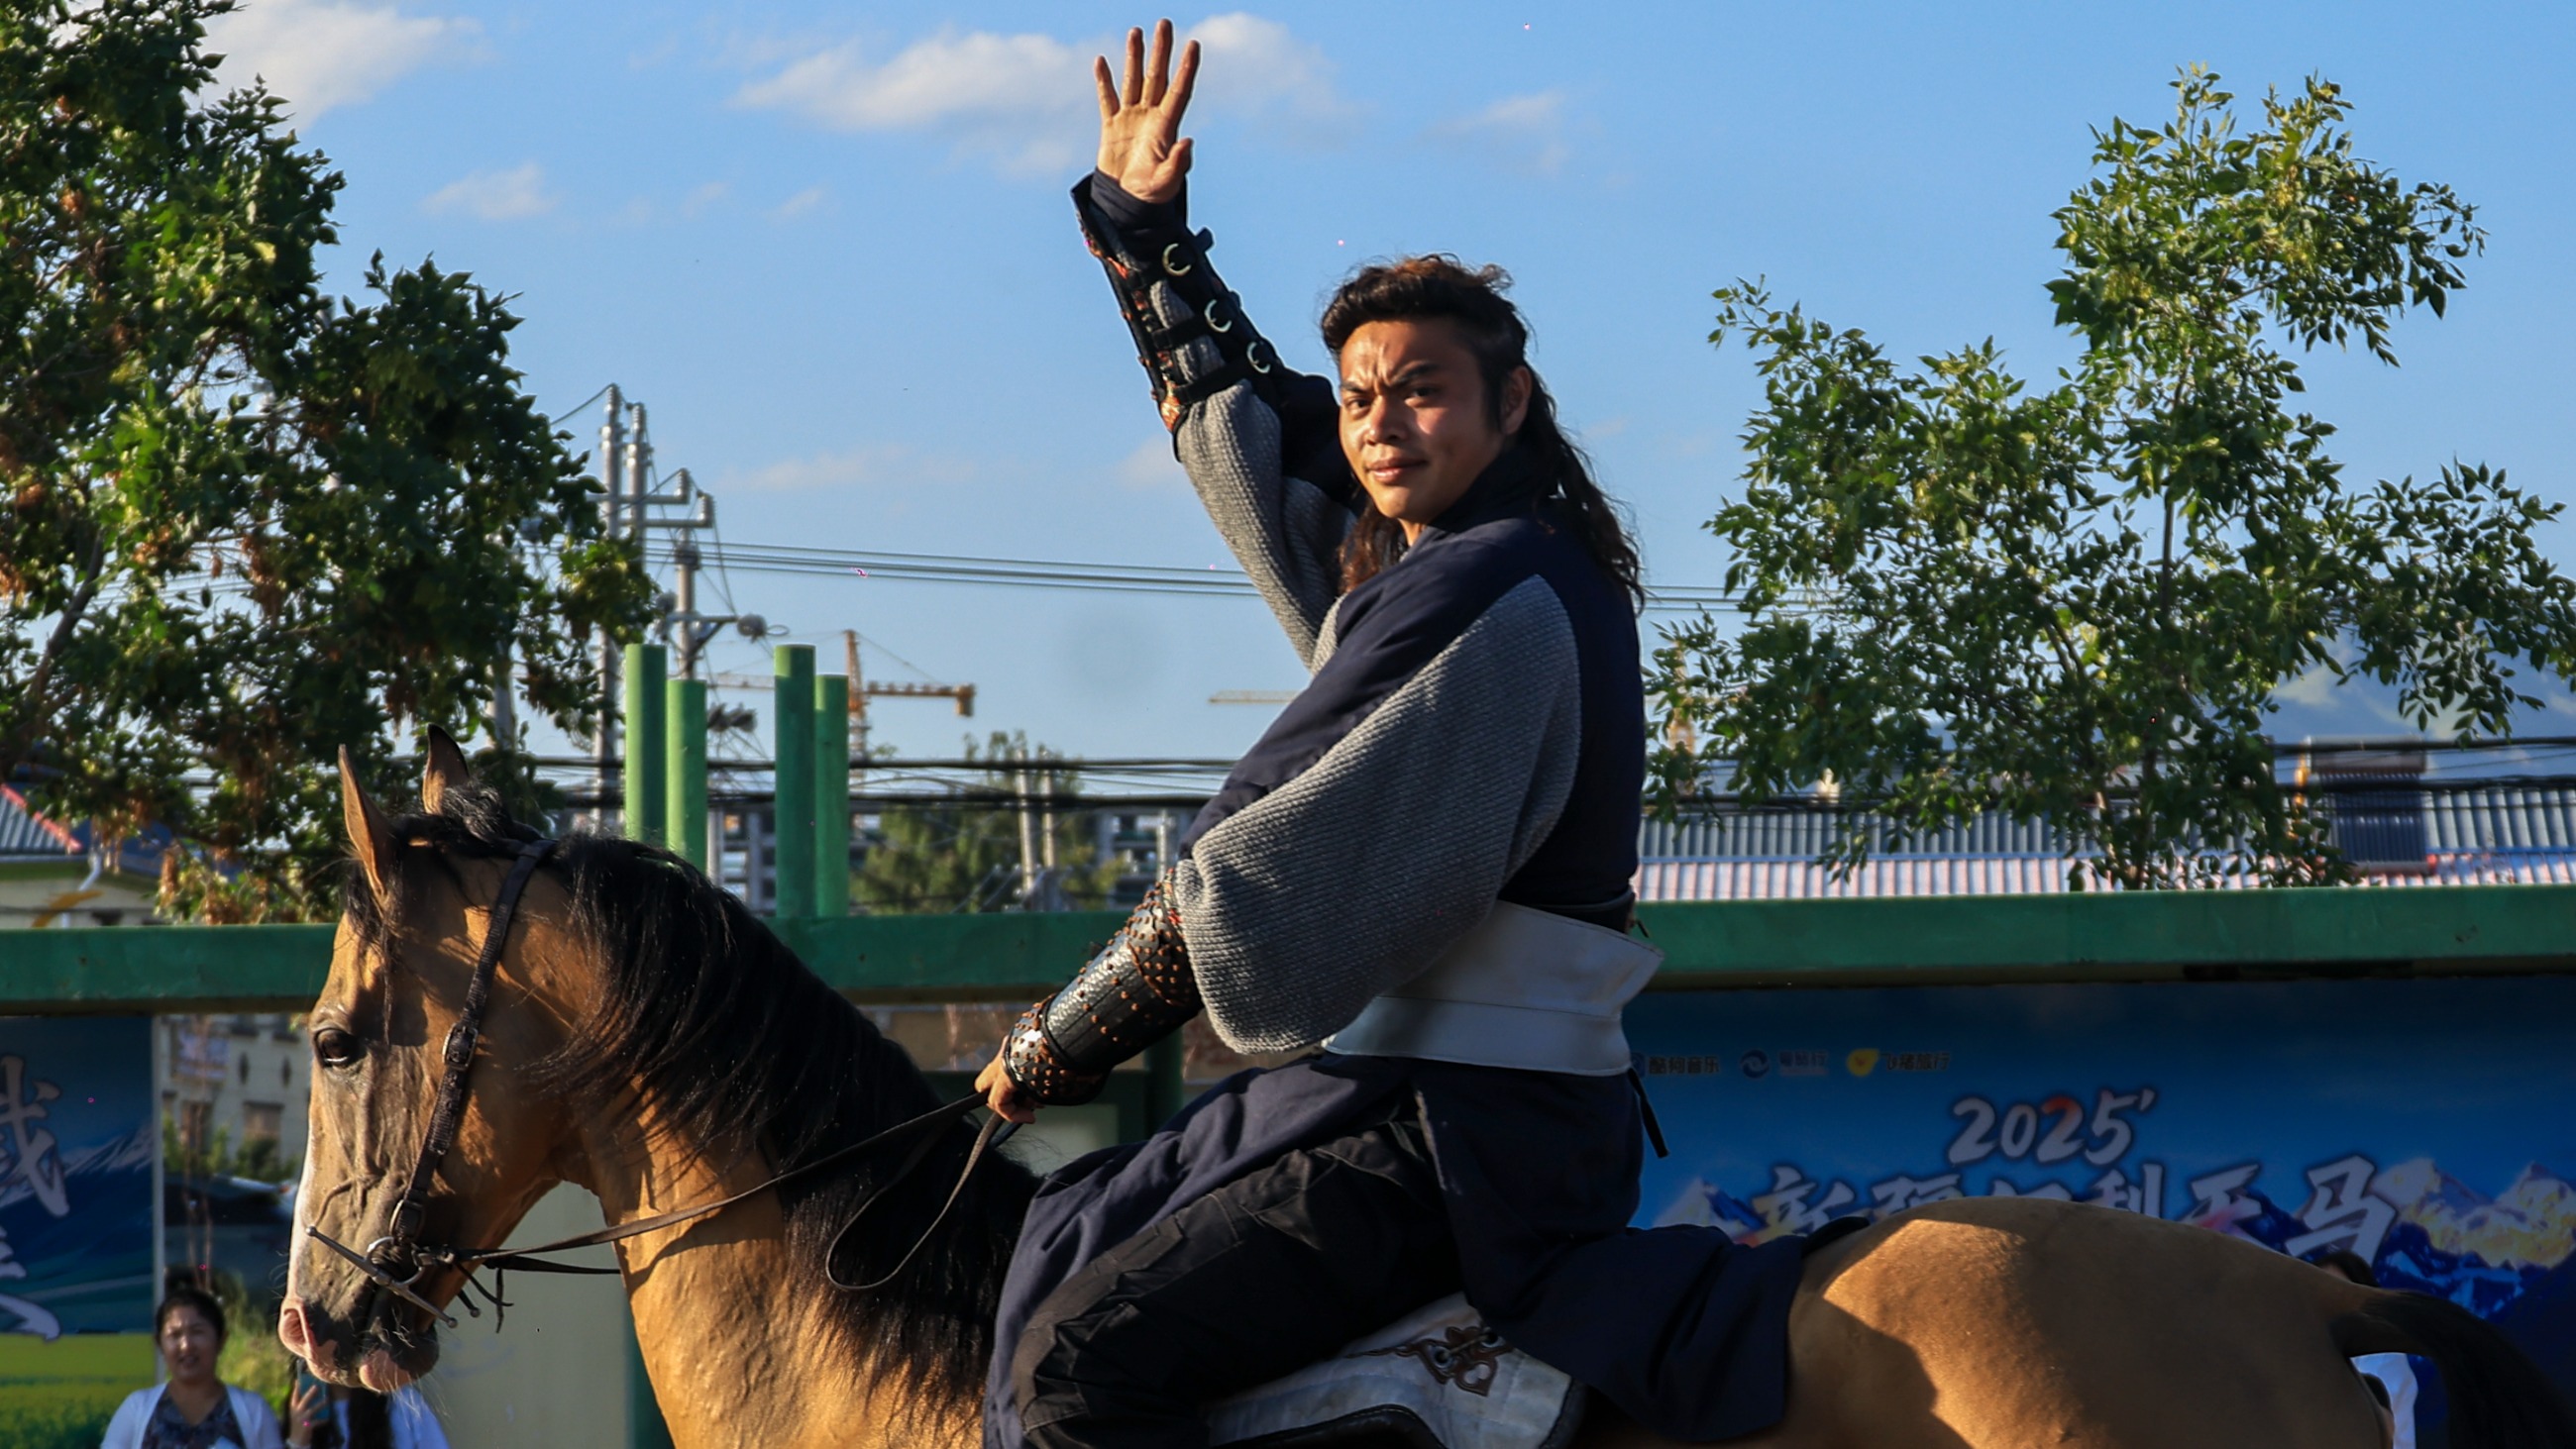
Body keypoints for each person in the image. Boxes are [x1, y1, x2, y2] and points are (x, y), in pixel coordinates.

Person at [972, 21, 1844, 1449]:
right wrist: (1142, 229)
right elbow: (1259, 429)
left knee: (1076, 1364)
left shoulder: (1486, 584)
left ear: (1511, 402)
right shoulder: (1475, 562)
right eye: (1361, 397)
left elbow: (1245, 873)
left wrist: (1054, 1043)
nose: (1377, 425)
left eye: (1419, 390)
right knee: (1074, 1231)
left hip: (1456, 1132)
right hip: (1445, 1104)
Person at [100, 1286, 296, 1449]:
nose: (186, 1345)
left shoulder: (253, 1410)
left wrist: (297, 1441)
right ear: (159, 1343)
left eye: (197, 1332)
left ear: (221, 1339)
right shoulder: (137, 1410)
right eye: (175, 1335)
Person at [2313, 1249, 2415, 1448]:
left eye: (2337, 1293)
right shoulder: (2304, 1348)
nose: (2326, 1303)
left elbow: (2363, 1420)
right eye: (2317, 1292)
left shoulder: (2384, 1353)